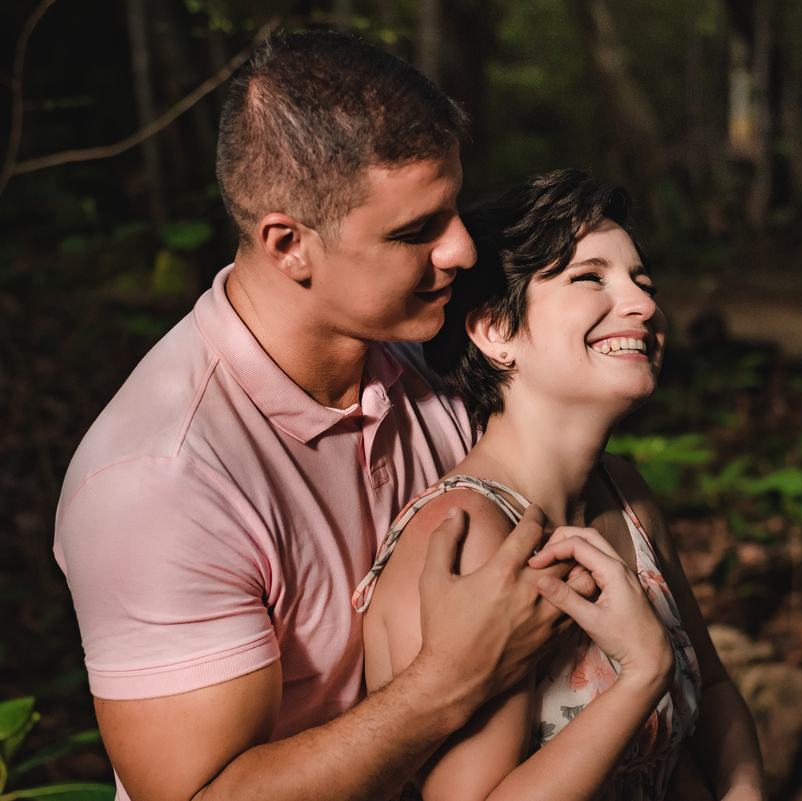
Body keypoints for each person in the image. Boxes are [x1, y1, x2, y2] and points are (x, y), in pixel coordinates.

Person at [53, 32, 609, 801]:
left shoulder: (437, 356)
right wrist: (443, 682)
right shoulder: (159, 479)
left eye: (452, 208)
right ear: (289, 245)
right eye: (416, 231)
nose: (462, 248)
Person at [355, 171, 766, 801]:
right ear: (496, 331)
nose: (644, 305)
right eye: (590, 277)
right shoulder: (468, 536)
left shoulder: (624, 495)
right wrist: (641, 675)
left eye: (643, 282)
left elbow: (710, 694)